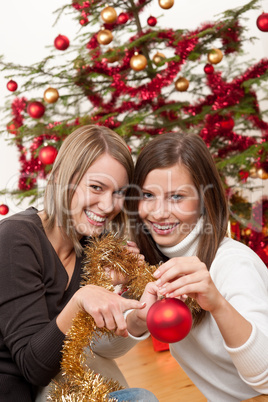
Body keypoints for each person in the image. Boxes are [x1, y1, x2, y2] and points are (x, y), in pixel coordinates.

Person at [0, 125, 158, 402]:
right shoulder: (15, 239)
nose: (108, 205)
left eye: (119, 192)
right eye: (96, 187)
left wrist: (130, 309)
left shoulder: (91, 246)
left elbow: (96, 348)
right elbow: (32, 367)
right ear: (62, 178)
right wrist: (81, 299)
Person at [125, 132, 268, 402]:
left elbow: (266, 378)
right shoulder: (151, 264)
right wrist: (137, 317)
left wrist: (218, 304)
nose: (158, 212)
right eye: (148, 195)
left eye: (177, 197)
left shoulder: (234, 264)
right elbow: (102, 342)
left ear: (204, 200)